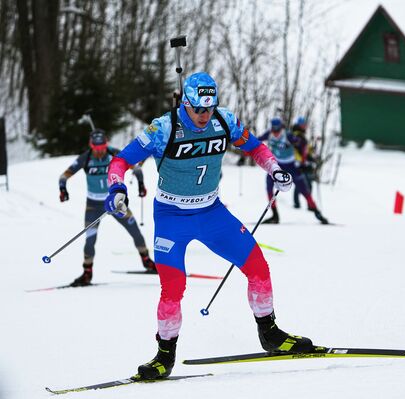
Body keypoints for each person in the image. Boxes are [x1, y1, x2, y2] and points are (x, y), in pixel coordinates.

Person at [103, 72, 314, 380]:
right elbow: (120, 162)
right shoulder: (163, 128)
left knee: (258, 267)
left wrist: (275, 170)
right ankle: (164, 356)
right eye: (198, 109)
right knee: (173, 288)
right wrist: (117, 188)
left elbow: (256, 148)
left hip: (212, 213)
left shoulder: (224, 121)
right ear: (186, 103)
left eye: (209, 108)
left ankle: (270, 335)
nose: (204, 115)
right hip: (171, 218)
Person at [58, 129, 155, 286]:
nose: (100, 152)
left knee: (135, 230)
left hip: (116, 203)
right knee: (90, 240)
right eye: (96, 149)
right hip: (93, 206)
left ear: (106, 144)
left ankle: (147, 261)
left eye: (102, 147)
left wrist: (141, 184)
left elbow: (136, 168)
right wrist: (63, 189)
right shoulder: (86, 158)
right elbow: (64, 175)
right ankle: (87, 273)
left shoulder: (114, 154)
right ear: (91, 146)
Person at [257, 117, 328, 224]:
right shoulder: (269, 134)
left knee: (303, 188)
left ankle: (317, 212)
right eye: (273, 130)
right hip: (277, 166)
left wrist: (304, 158)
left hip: (291, 166)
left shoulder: (288, 135)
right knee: (269, 187)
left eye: (278, 130)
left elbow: (302, 145)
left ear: (281, 128)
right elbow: (255, 142)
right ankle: (275, 215)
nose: (275, 133)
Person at [291, 116, 318, 209]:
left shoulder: (301, 135)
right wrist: (306, 160)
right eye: (303, 124)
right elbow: (298, 150)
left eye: (305, 124)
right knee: (304, 183)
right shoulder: (297, 135)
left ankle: (301, 204)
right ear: (300, 125)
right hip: (300, 163)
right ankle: (300, 204)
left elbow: (306, 148)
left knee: (304, 183)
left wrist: (312, 153)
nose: (305, 126)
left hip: (302, 162)